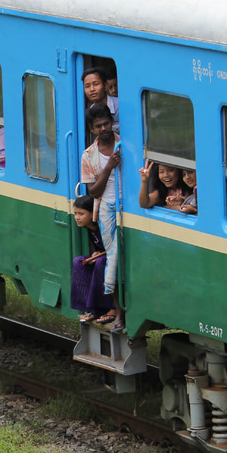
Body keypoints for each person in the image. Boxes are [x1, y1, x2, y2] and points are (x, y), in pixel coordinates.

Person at [80, 103, 123, 331]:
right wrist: (109, 168)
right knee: (113, 257)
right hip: (106, 208)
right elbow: (93, 192)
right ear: (92, 128)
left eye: (107, 123)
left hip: (127, 208)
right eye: (99, 126)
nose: (104, 128)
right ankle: (117, 310)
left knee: (126, 257)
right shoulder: (88, 156)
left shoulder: (124, 144)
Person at [69, 195, 115, 324]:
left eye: (81, 214)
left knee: (101, 262)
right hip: (103, 256)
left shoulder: (103, 226)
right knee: (78, 262)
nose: (77, 217)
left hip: (113, 257)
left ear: (92, 213)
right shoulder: (90, 229)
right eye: (75, 213)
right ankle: (90, 309)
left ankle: (111, 309)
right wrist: (97, 253)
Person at [82, 67, 119, 134]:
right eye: (87, 86)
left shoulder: (119, 105)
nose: (92, 89)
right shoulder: (91, 112)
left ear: (105, 86)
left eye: (96, 84)